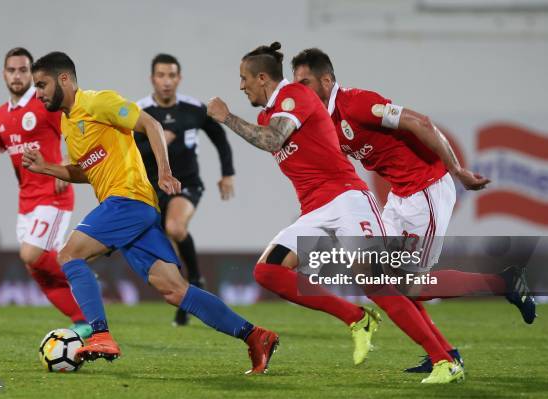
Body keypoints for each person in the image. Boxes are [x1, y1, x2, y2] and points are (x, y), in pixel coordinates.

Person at [207, 41, 464, 384]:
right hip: (314, 210)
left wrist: (226, 117)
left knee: (381, 283)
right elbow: (268, 134)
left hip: (347, 201)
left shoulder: (294, 95)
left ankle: (445, 360)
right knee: (267, 271)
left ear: (263, 77)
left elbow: (271, 140)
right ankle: (356, 317)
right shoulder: (267, 114)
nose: (241, 86)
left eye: (244, 78)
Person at [23, 51, 278, 374]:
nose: (39, 92)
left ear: (64, 79)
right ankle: (255, 336)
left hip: (127, 200)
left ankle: (100, 334)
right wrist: (47, 167)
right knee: (174, 290)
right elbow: (86, 171)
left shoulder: (98, 102)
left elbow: (150, 123)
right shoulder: (68, 123)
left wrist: (164, 171)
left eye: (42, 84)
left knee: (69, 255)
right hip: (126, 208)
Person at [290, 47, 537, 372]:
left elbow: (418, 122)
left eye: (305, 82)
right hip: (400, 197)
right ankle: (443, 353)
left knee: (411, 286)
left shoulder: (356, 103)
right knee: (382, 277)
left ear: (326, 80)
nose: (299, 90)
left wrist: (457, 170)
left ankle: (503, 283)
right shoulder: (325, 121)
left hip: (427, 190)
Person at [0, 47, 90, 337]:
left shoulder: (45, 105)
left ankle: (81, 275)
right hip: (26, 201)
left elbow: (75, 130)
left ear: (31, 73)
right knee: (35, 268)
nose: (17, 75)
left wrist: (66, 162)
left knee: (30, 254)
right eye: (12, 70)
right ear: (4, 74)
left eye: (23, 70)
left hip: (53, 195)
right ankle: (82, 320)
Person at [135, 53, 235, 326]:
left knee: (176, 228)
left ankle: (196, 279)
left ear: (179, 78)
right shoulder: (140, 112)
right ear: (152, 79)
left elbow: (219, 137)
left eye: (171, 75)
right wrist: (156, 143)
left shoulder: (194, 109)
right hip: (151, 191)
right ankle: (188, 293)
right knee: (167, 246)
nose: (166, 81)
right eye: (161, 75)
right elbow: (128, 151)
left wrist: (228, 173)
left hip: (187, 185)